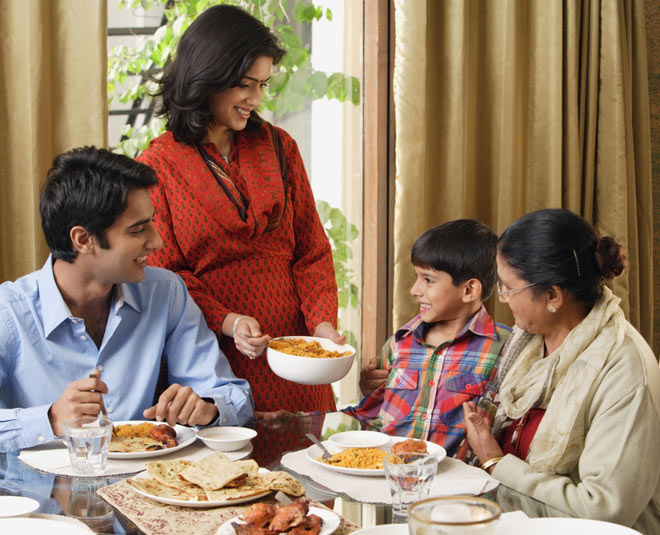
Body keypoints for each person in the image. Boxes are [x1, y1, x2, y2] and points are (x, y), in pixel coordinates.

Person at [137, 4, 343, 416]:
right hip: (212, 360)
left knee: (304, 472)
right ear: (208, 76)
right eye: (247, 85)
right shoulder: (156, 164)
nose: (257, 99)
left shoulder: (280, 146)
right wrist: (229, 322)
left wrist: (321, 325)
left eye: (264, 85)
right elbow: (167, 275)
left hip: (295, 359)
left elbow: (311, 250)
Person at [0, 146, 253, 453]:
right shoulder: (9, 313)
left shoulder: (166, 292)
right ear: (82, 239)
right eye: (137, 230)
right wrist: (51, 419)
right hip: (39, 496)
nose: (157, 240)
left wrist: (208, 408)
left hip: (148, 489)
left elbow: (235, 397)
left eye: (152, 221)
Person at [463, 209, 660, 534]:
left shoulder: (624, 370)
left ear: (553, 295)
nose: (501, 297)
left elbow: (604, 512)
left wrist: (495, 462)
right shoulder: (527, 341)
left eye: (509, 288)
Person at [344, 220, 511, 456]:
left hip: (455, 484)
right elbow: (371, 415)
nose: (414, 290)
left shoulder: (505, 348)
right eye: (416, 277)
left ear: (469, 290)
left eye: (428, 280)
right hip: (389, 476)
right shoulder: (399, 343)